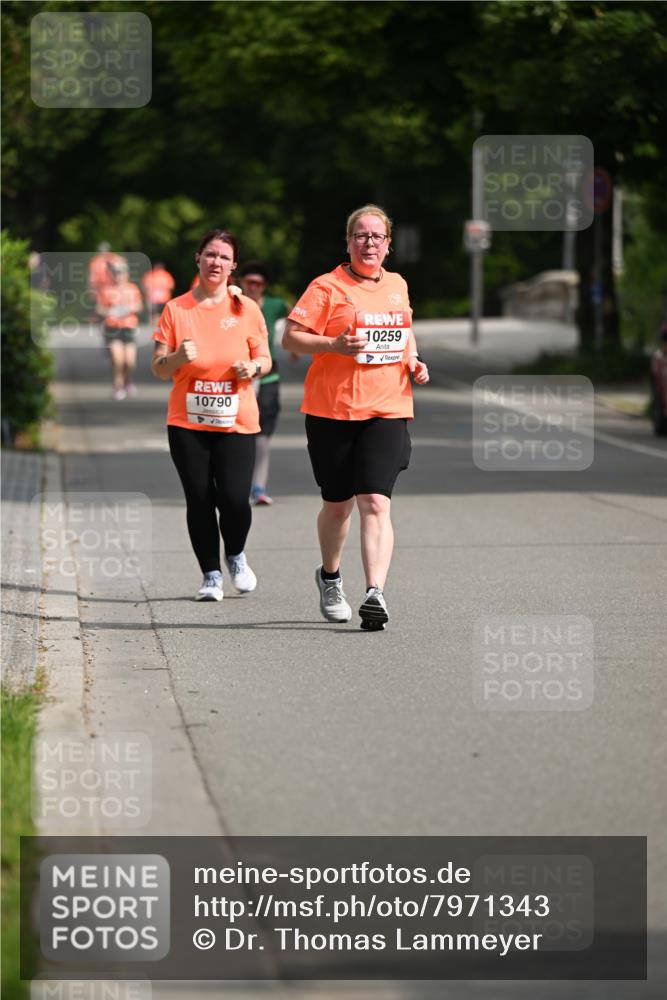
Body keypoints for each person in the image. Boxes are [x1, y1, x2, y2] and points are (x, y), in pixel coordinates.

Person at [282, 204, 429, 631]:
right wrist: (332, 345)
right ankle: (330, 577)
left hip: (387, 408)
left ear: (388, 245)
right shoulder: (327, 286)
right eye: (361, 236)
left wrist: (414, 359)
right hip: (333, 410)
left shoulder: (398, 284)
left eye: (377, 237)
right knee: (337, 504)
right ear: (348, 243)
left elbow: (404, 330)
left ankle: (375, 593)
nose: (369, 243)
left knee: (376, 501)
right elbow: (292, 336)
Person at [151, 228, 271, 602]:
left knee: (235, 499)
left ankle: (235, 553)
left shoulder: (246, 308)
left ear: (232, 265)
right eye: (210, 254)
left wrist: (252, 368)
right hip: (188, 421)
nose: (215, 262)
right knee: (199, 498)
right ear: (198, 259)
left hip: (237, 419)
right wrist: (176, 359)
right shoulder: (176, 309)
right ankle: (211, 574)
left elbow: (266, 358)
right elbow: (157, 367)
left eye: (223, 257)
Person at [238, 262, 289, 505]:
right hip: (237, 377)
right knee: (237, 435)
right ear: (241, 283)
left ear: (263, 286)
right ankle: (235, 485)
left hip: (267, 375)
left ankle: (258, 487)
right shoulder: (232, 305)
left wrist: (294, 341)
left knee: (262, 436)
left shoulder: (274, 305)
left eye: (257, 283)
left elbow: (295, 315)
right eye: (249, 282)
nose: (253, 287)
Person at [96, 257, 143, 400]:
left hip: (128, 327)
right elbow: (100, 309)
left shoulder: (132, 288)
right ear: (112, 274)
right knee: (118, 359)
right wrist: (111, 311)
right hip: (113, 327)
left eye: (122, 272)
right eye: (116, 272)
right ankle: (118, 385)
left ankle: (128, 381)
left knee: (130, 361)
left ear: (126, 273)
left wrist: (128, 309)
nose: (119, 275)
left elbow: (140, 306)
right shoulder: (106, 290)